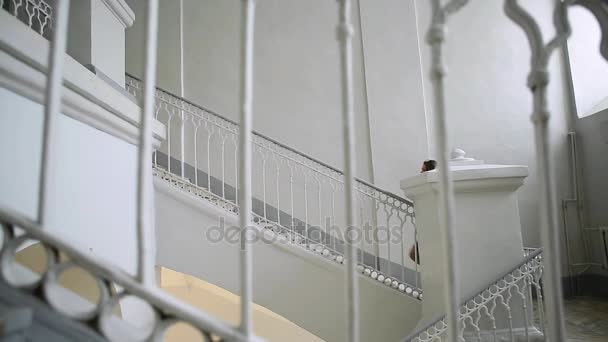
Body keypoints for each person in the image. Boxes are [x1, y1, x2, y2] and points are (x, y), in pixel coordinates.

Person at [409, 159, 437, 264]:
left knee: (415, 254)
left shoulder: (432, 185)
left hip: (431, 226)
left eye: (423, 170)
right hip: (425, 225)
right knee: (414, 254)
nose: (421, 172)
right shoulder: (424, 186)